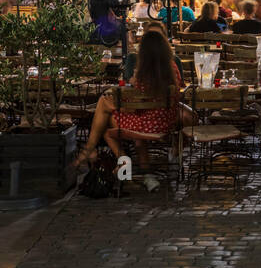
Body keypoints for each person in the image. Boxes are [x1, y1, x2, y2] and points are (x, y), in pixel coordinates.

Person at [76, 28, 190, 189]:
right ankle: (143, 173)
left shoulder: (143, 73)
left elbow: (130, 107)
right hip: (166, 124)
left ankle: (115, 157)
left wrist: (131, 82)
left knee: (107, 124)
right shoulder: (173, 68)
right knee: (110, 109)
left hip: (145, 126)